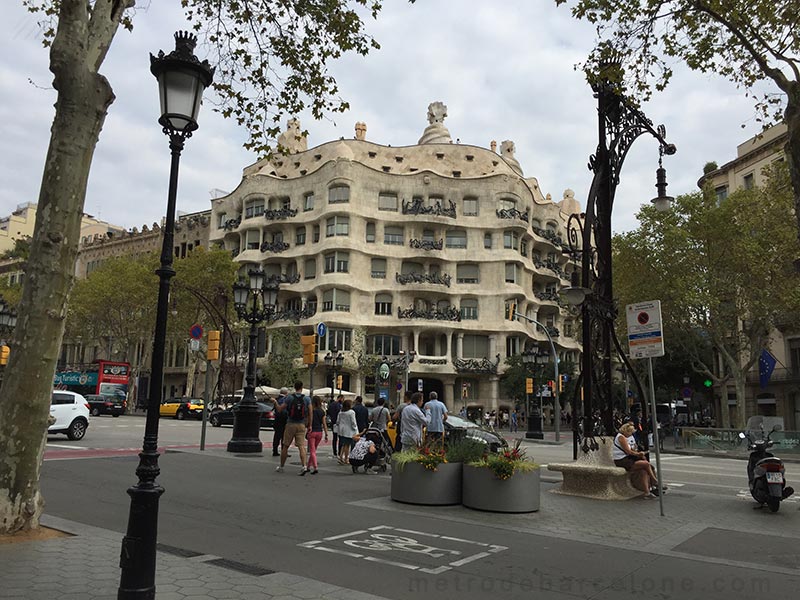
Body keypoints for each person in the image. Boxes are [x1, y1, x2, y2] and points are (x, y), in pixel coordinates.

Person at [612, 422, 661, 497]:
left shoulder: (625, 437)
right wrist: (638, 454)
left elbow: (631, 449)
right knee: (646, 464)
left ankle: (647, 492)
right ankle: (654, 481)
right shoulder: (621, 437)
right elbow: (628, 451)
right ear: (626, 431)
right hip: (622, 460)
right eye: (630, 432)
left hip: (627, 459)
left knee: (644, 470)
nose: (631, 434)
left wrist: (639, 453)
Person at [276, 381, 311, 475]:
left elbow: (280, 409)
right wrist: (309, 425)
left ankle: (281, 466)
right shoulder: (307, 399)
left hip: (290, 424)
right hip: (301, 425)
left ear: (294, 387)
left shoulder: (289, 398)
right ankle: (304, 466)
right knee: (301, 446)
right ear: (302, 387)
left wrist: (275, 402)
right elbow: (310, 412)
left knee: (285, 445)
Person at [306, 395, 328, 474]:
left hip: (312, 432)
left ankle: (315, 467)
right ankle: (308, 466)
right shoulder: (322, 411)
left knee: (312, 451)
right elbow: (324, 423)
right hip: (319, 432)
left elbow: (308, 421)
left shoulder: (311, 411)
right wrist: (326, 434)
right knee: (314, 450)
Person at [336, 399, 358, 465]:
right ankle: (346, 459)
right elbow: (353, 422)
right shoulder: (351, 412)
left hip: (341, 430)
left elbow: (337, 421)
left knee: (343, 444)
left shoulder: (341, 412)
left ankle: (340, 457)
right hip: (349, 431)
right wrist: (355, 429)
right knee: (347, 445)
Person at [272, 387, 290, 457]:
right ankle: (284, 451)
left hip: (277, 420)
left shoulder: (277, 399)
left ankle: (275, 450)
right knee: (284, 437)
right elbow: (284, 411)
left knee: (277, 436)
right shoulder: (284, 399)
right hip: (283, 420)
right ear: (286, 393)